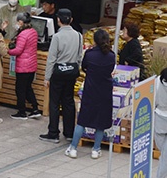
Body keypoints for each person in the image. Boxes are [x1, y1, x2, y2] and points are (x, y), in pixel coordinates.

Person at [65, 29, 115, 159]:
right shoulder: (111, 56)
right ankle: (96, 149)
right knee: (101, 122)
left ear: (95, 41)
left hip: (90, 91)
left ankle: (73, 148)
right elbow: (110, 70)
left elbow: (84, 67)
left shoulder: (90, 54)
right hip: (105, 92)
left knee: (82, 120)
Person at [40, 9, 83, 143]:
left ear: (58, 20)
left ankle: (53, 132)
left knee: (54, 102)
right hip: (72, 71)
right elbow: (80, 56)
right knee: (68, 101)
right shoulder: (78, 36)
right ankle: (69, 132)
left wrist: (47, 77)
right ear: (71, 20)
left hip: (58, 72)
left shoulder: (57, 37)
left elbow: (51, 58)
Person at [7, 13, 41, 120]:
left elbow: (18, 50)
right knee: (28, 88)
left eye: (18, 21)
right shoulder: (33, 32)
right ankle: (35, 108)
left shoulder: (23, 34)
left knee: (20, 89)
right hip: (32, 65)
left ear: (21, 22)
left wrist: (8, 51)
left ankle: (21, 112)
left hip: (23, 66)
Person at [154, 68, 167, 177]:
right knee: (165, 156)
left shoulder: (157, 81)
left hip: (159, 119)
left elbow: (153, 100)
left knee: (163, 152)